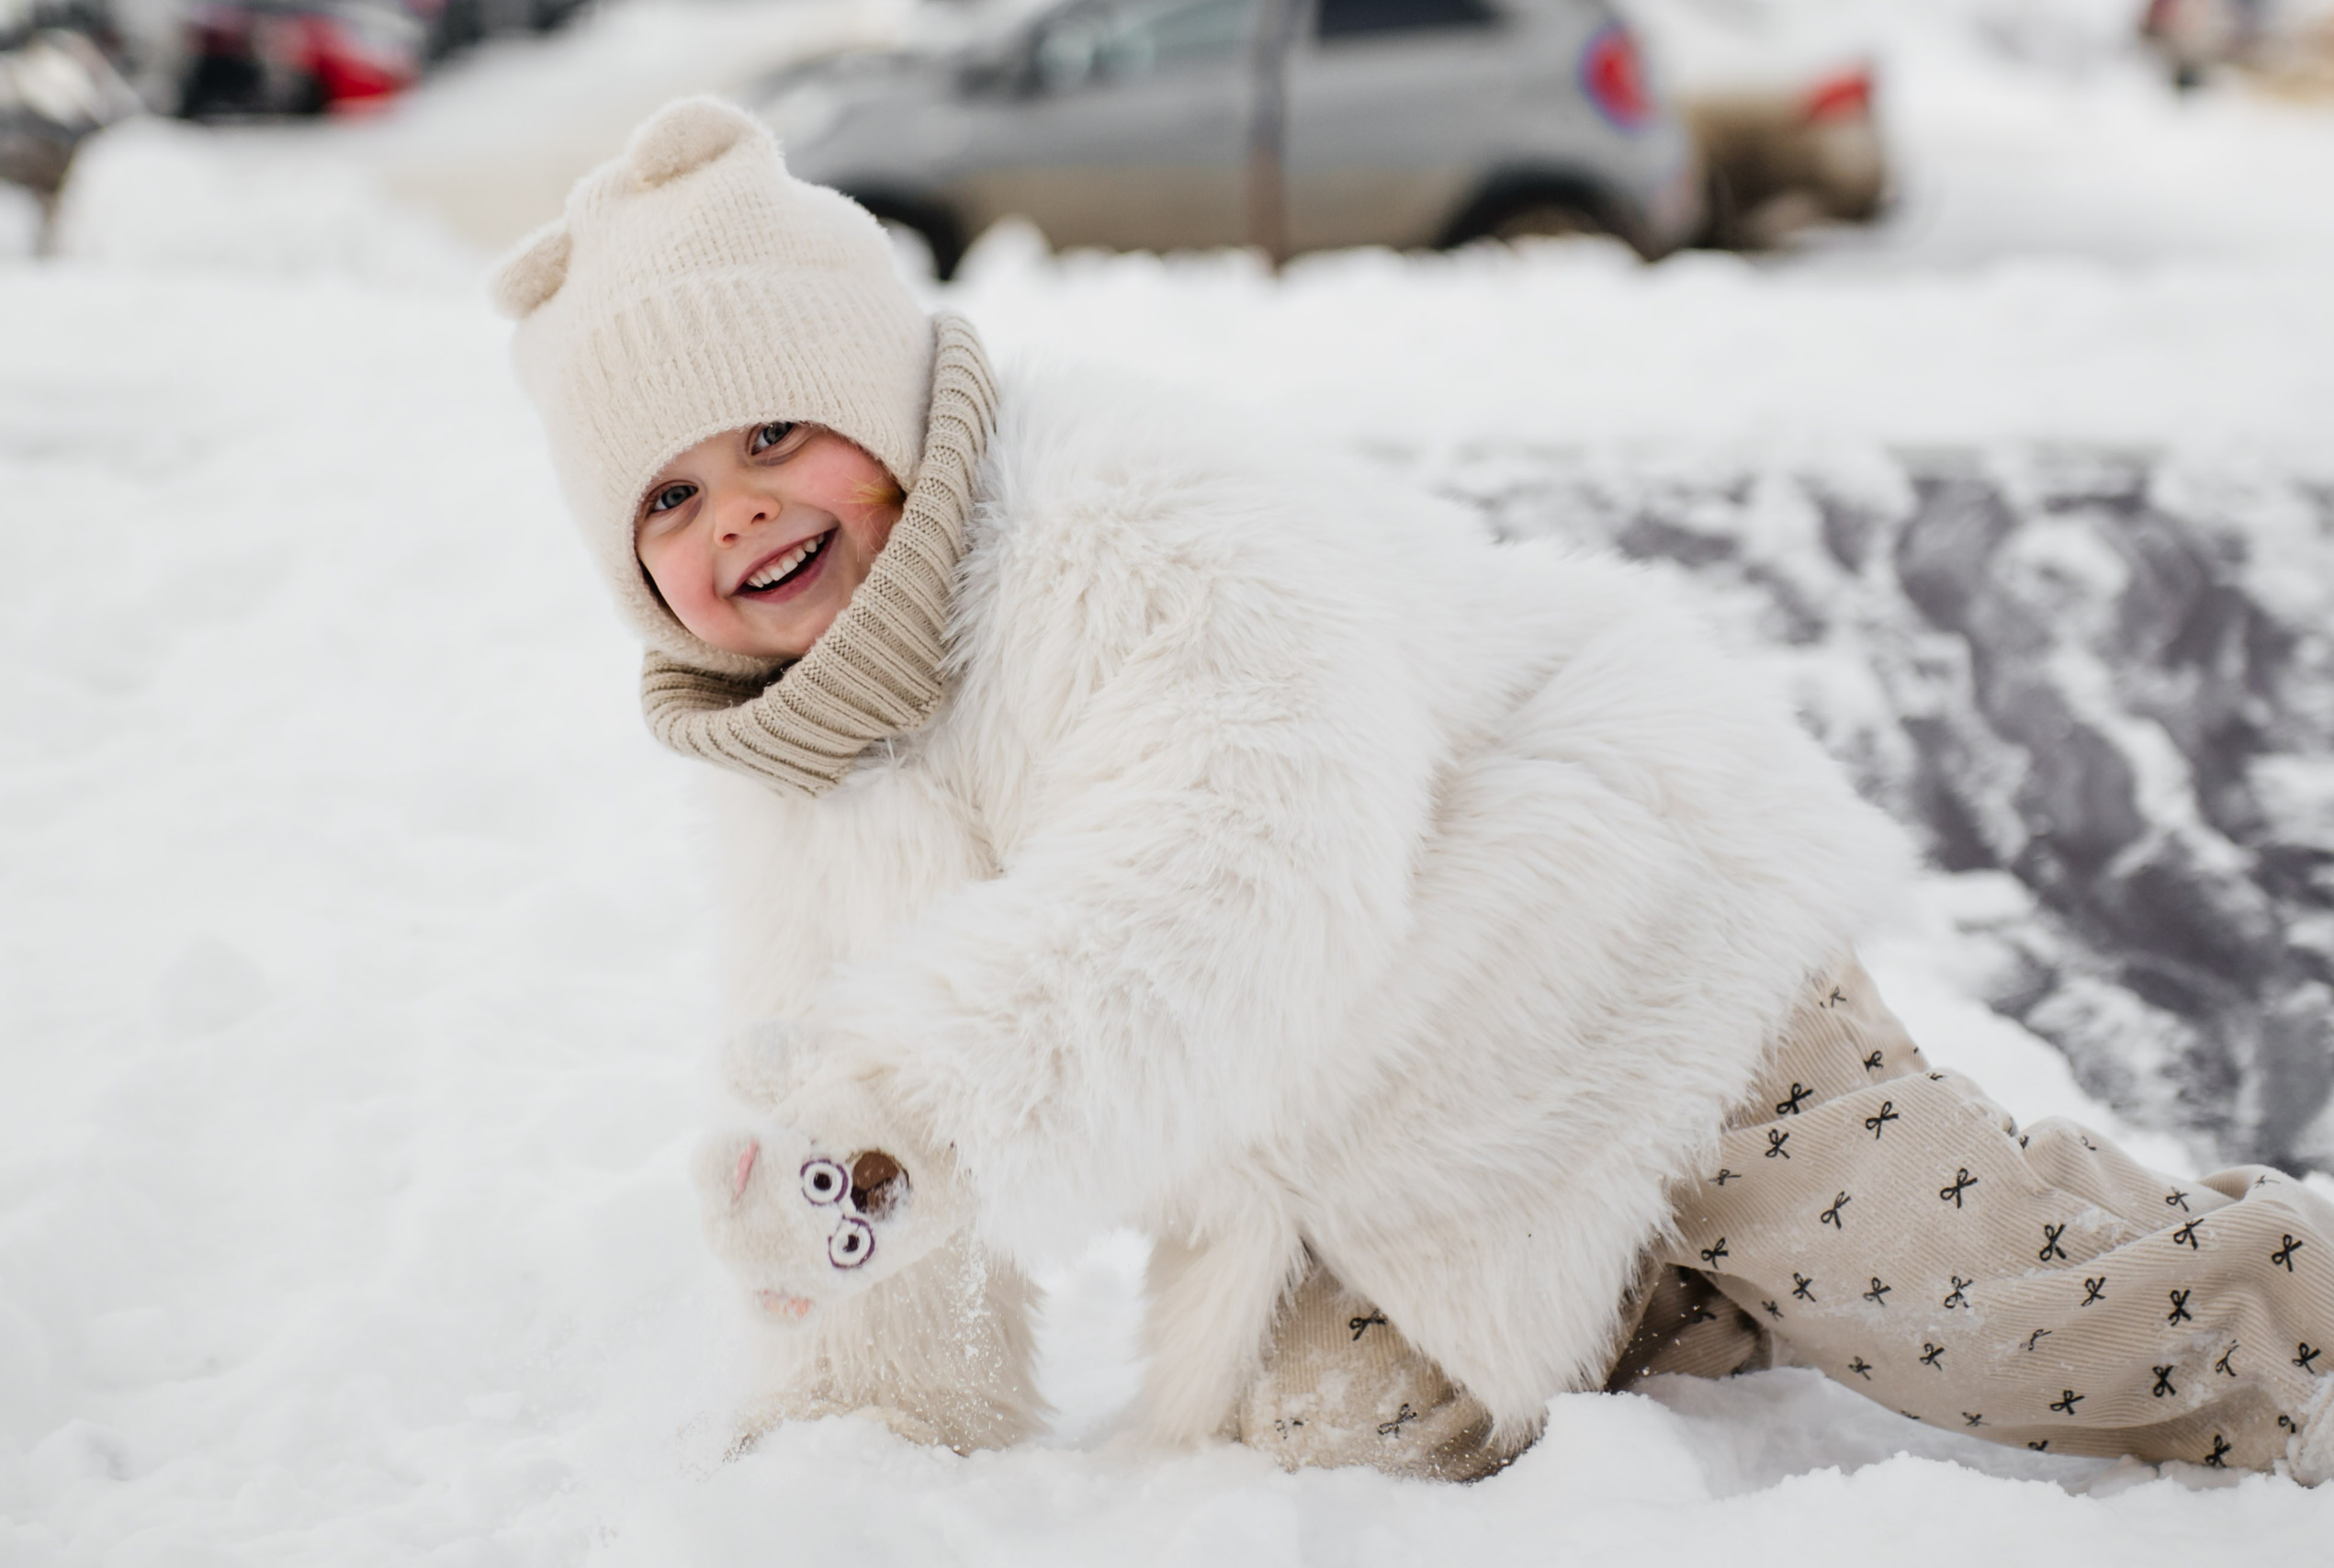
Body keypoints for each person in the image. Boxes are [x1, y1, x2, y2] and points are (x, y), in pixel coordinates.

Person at [493, 96, 2334, 1483]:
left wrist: (922, 1097)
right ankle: (1657, 1288)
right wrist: (861, 1382)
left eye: (773, 433)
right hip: (1405, 1139)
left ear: (886, 410)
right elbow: (838, 1093)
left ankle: (2274, 1298)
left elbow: (1233, 868)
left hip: (1631, 959)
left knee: (1982, 1305)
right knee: (1321, 1432)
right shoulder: (794, 760)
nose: (735, 506)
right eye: (663, 494)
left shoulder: (1120, 521)